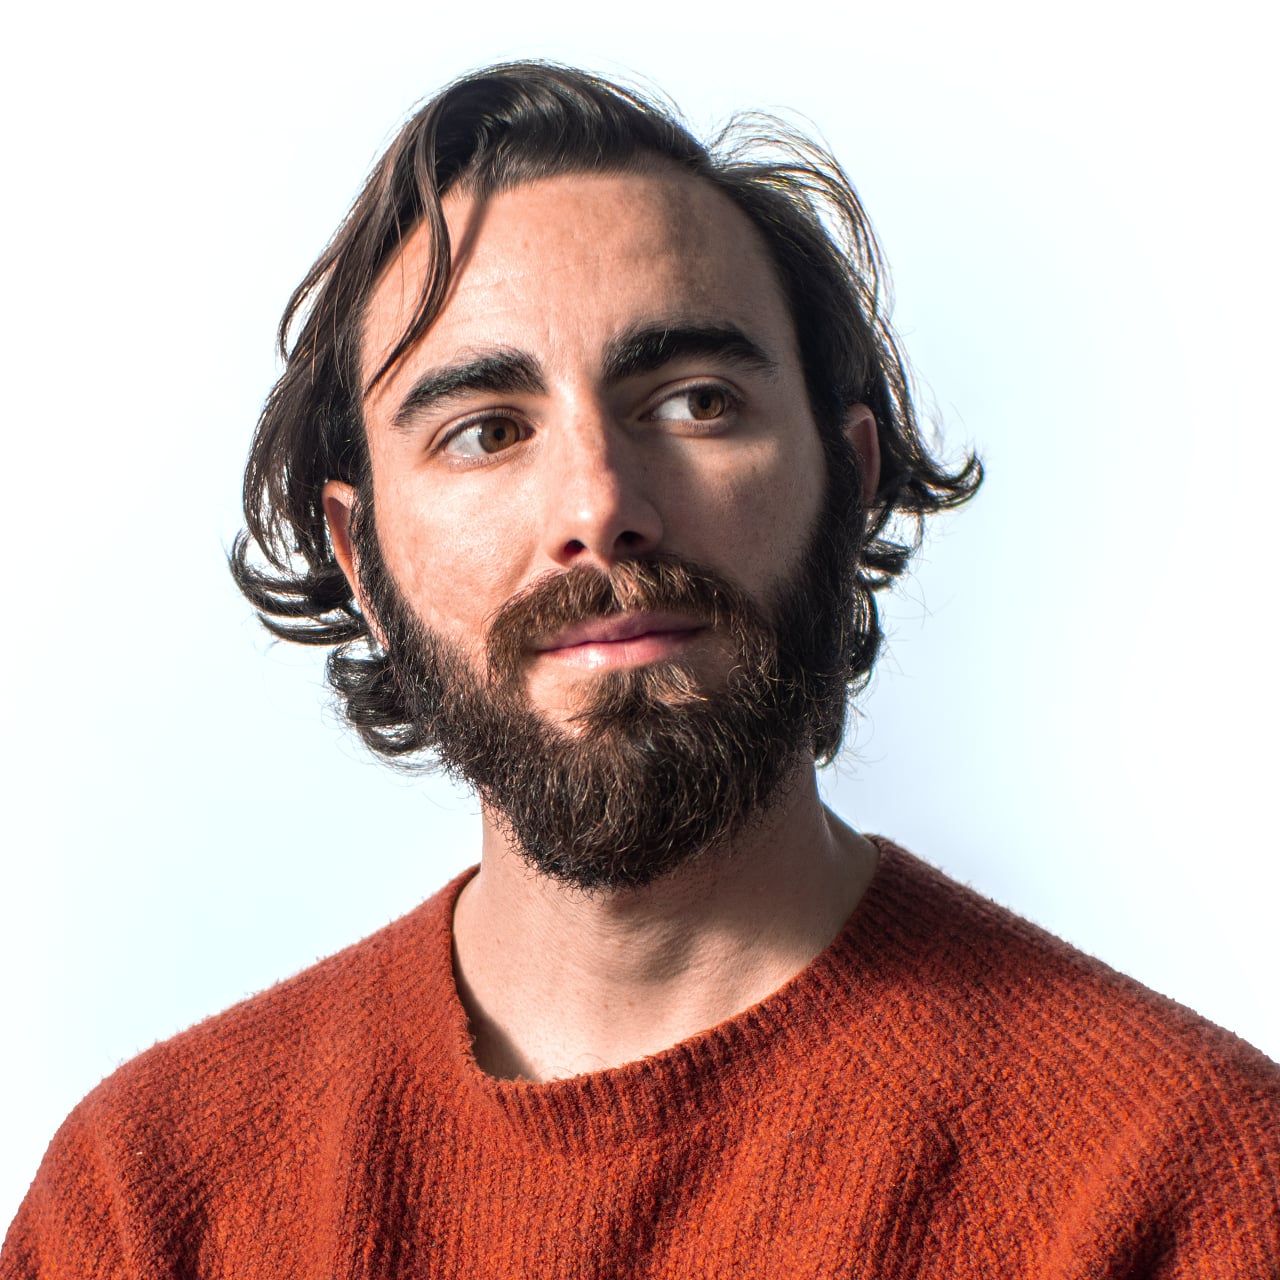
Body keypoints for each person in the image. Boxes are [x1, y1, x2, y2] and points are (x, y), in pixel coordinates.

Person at [3, 61, 1277, 1278]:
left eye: (695, 401)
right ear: (359, 555)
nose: (599, 506)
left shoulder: (1185, 1177)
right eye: (485, 431)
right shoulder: (148, 1194)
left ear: (848, 480)